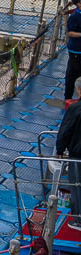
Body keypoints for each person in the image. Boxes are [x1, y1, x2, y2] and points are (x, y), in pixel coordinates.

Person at [53, 94, 81, 230]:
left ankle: (78, 220)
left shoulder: (75, 108)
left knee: (77, 186)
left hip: (77, 153)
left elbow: (65, 130)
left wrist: (59, 149)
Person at [65, 0, 81, 101]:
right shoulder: (75, 16)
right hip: (76, 50)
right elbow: (69, 33)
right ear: (78, 4)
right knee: (72, 75)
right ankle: (68, 98)